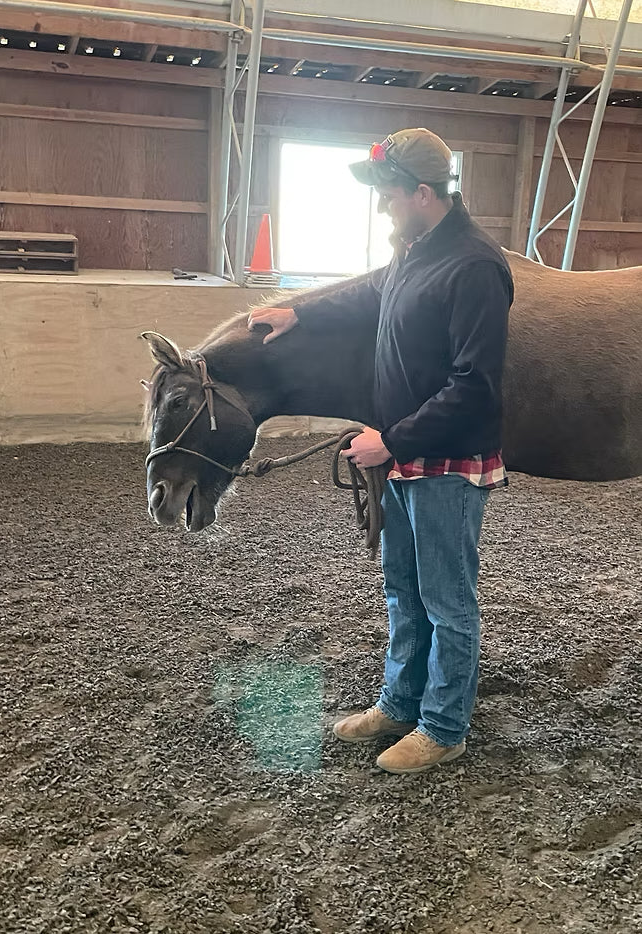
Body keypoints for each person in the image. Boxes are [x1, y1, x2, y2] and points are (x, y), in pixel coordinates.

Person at [248, 128, 514, 775]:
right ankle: (400, 703)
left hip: (444, 463)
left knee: (447, 602)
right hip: (402, 459)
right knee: (403, 590)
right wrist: (300, 312)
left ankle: (444, 727)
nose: (382, 205)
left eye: (388, 194)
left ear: (422, 193)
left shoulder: (475, 268)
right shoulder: (416, 250)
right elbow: (370, 294)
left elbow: (475, 386)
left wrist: (391, 439)